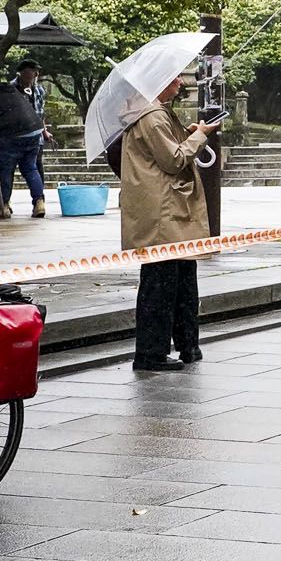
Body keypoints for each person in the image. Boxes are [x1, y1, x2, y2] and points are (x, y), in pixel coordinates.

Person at [118, 75, 221, 370]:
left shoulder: (154, 113)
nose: (179, 81)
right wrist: (199, 135)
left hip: (167, 209)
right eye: (173, 77)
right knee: (161, 283)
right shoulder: (152, 116)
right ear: (158, 82)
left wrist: (189, 134)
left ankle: (188, 344)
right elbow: (174, 160)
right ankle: (151, 352)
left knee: (181, 280)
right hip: (163, 211)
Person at [0, 59, 49, 219]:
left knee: (7, 169)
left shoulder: (38, 90)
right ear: (21, 72)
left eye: (35, 71)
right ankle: (34, 202)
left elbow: (40, 113)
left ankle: (6, 205)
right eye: (31, 71)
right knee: (30, 168)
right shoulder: (12, 88)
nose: (34, 74)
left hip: (20, 134)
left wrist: (44, 131)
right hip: (31, 132)